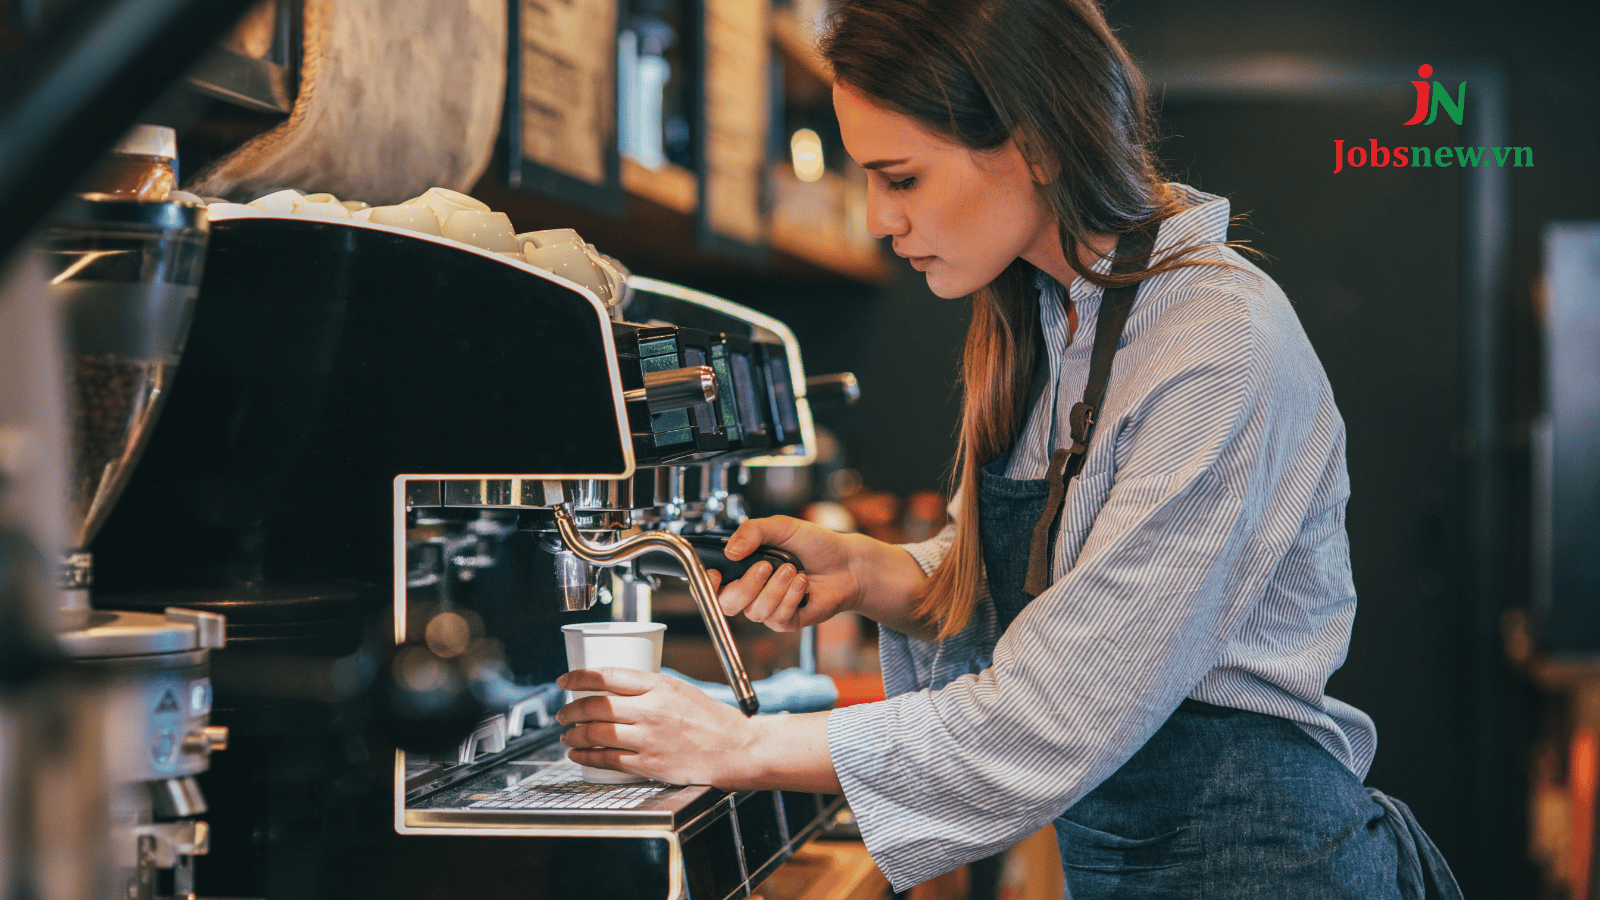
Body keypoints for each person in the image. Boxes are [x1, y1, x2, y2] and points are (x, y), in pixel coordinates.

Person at [557, 0, 1463, 896]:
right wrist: (871, 572)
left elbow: (1060, 706)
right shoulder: (1051, 318)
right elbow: (1050, 590)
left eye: (901, 177)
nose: (877, 218)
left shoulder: (1215, 345)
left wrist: (737, 744)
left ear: (1035, 143)